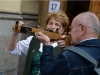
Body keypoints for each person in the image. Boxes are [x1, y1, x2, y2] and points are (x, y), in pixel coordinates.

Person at [35, 11, 100, 75]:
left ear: (82, 29)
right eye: (50, 23)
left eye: (71, 28)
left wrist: (47, 46)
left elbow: (47, 73)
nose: (69, 32)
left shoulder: (69, 56)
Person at [6, 11, 69, 75]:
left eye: (57, 25)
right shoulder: (33, 40)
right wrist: (15, 32)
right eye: (50, 23)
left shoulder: (65, 46)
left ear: (63, 30)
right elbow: (11, 49)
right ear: (46, 25)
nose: (52, 27)